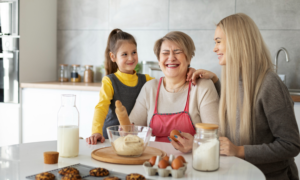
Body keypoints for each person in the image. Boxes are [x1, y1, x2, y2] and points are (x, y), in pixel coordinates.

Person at [187, 13, 300, 180]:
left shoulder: (269, 84)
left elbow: (291, 145)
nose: (214, 48)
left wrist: (240, 151)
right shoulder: (235, 79)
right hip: (243, 174)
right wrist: (215, 81)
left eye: (218, 41)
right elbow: (240, 110)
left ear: (236, 42)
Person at [86, 29, 195, 144]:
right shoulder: (109, 81)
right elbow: (101, 108)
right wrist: (95, 132)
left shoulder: (146, 80)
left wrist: (188, 70)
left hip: (132, 138)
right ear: (113, 57)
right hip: (110, 138)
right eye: (124, 54)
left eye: (134, 52)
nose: (131, 58)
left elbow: (170, 79)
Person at [129, 31, 219, 148]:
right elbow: (130, 130)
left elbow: (215, 136)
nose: (171, 58)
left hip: (195, 160)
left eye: (178, 52)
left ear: (189, 58)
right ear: (159, 60)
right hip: (156, 162)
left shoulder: (202, 87)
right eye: (165, 53)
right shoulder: (150, 88)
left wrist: (195, 145)